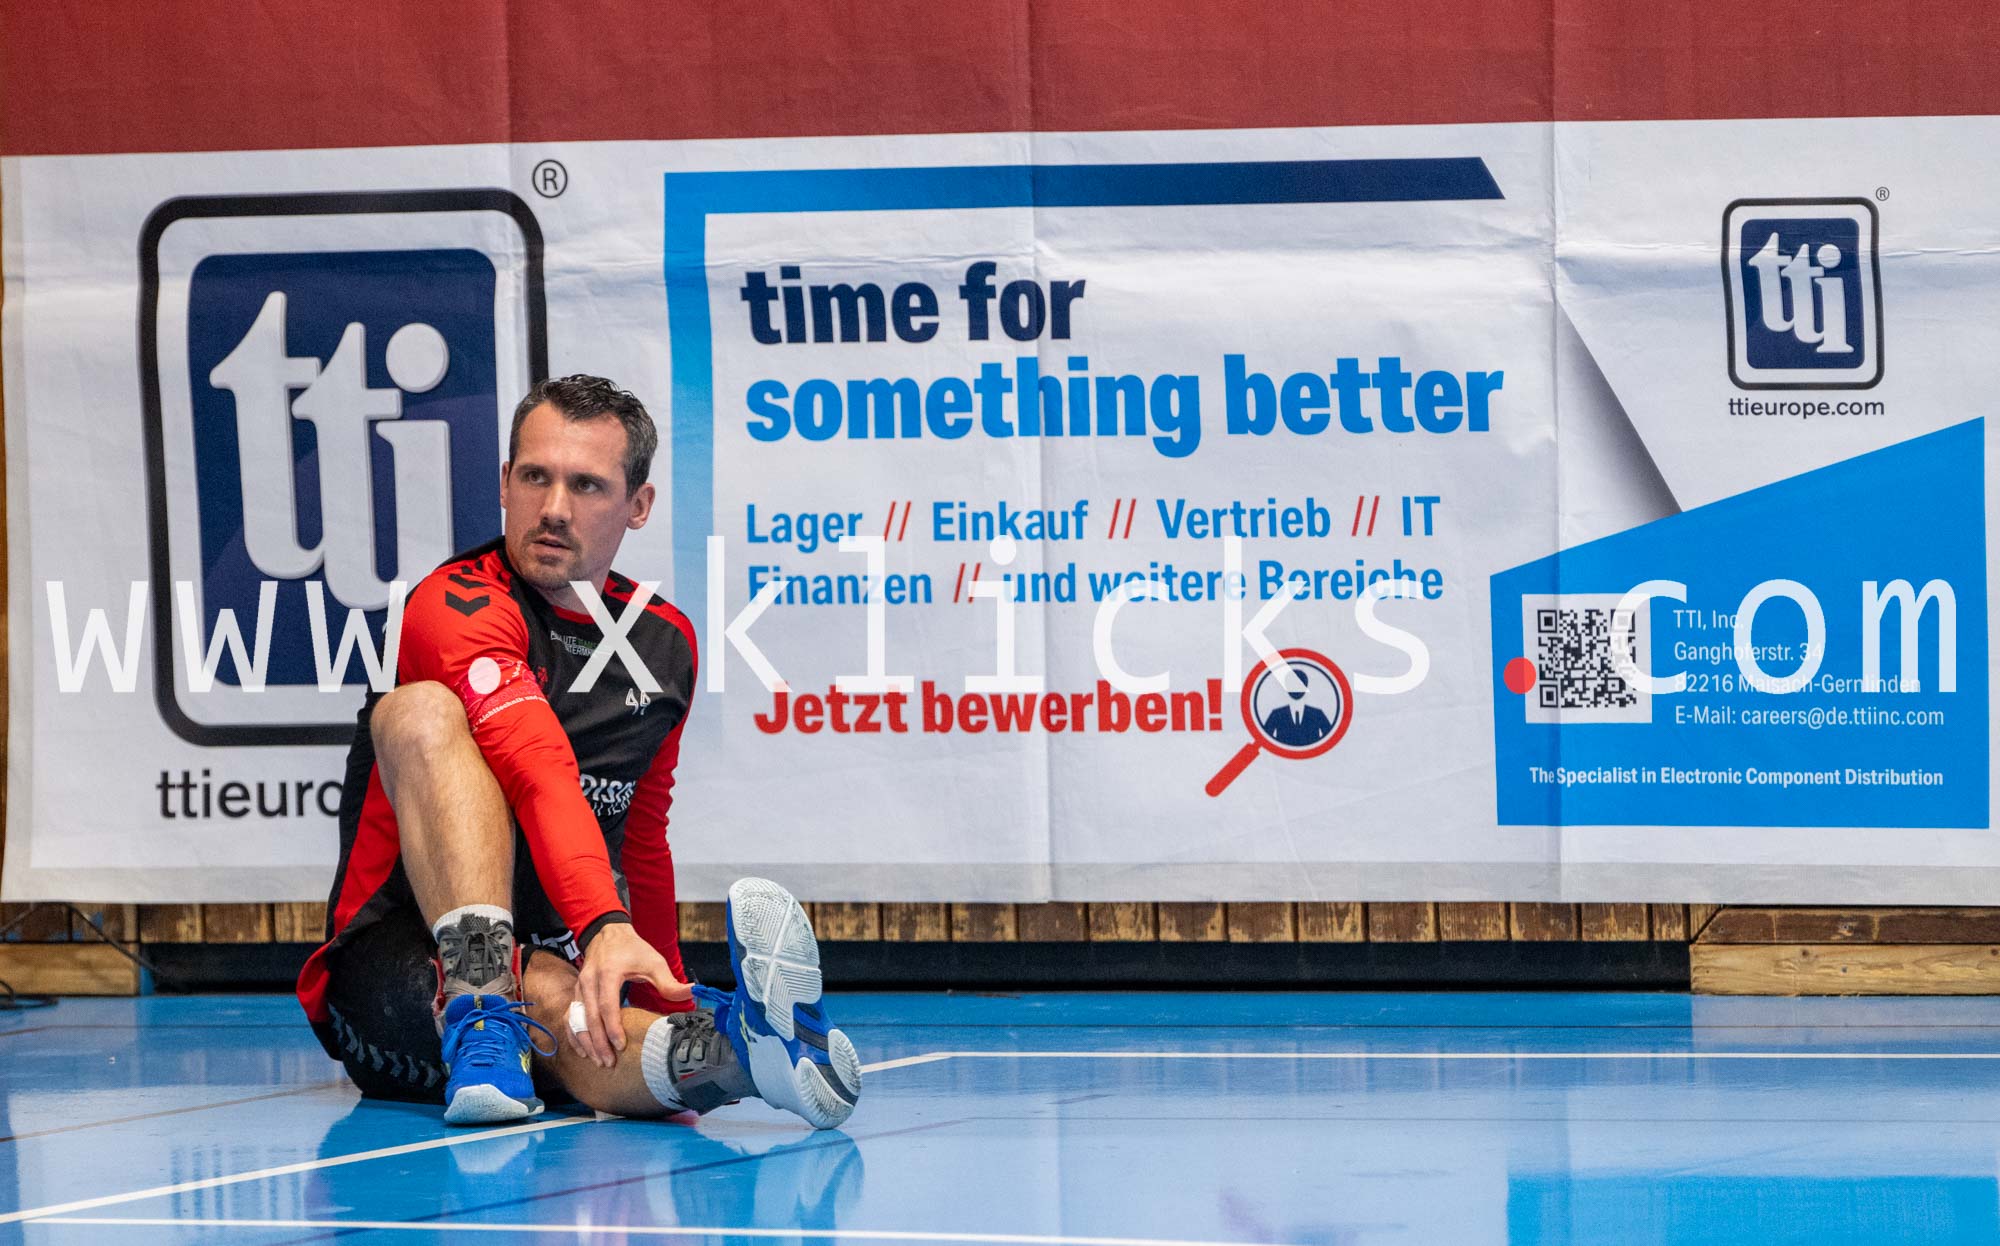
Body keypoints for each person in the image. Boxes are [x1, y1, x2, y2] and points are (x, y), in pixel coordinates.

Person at [295, 374, 860, 1129]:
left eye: (587, 485)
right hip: (395, 963)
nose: (554, 507)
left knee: (576, 1001)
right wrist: (603, 924)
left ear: (638, 505)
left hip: (556, 956)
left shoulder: (663, 642)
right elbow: (539, 771)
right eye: (535, 477)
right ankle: (480, 1006)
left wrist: (662, 991)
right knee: (419, 712)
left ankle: (744, 1057)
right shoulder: (455, 606)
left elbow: (642, 838)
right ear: (505, 484)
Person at [1259, 662, 1334, 748]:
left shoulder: (1317, 714)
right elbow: (1264, 740)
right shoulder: (1276, 714)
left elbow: (1331, 740)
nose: (1296, 689)